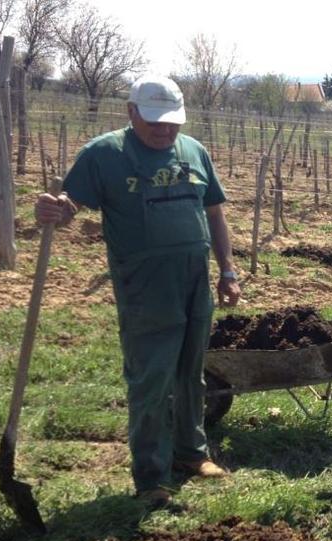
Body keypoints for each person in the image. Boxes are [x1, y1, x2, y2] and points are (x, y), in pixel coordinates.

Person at [34, 75, 240, 508]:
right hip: (145, 287)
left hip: (194, 281)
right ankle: (151, 477)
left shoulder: (194, 151)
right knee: (151, 380)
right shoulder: (104, 154)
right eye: (155, 121)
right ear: (130, 112)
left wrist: (228, 270)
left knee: (191, 374)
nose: (165, 130)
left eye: (172, 122)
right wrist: (56, 209)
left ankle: (192, 453)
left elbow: (215, 213)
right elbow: (71, 205)